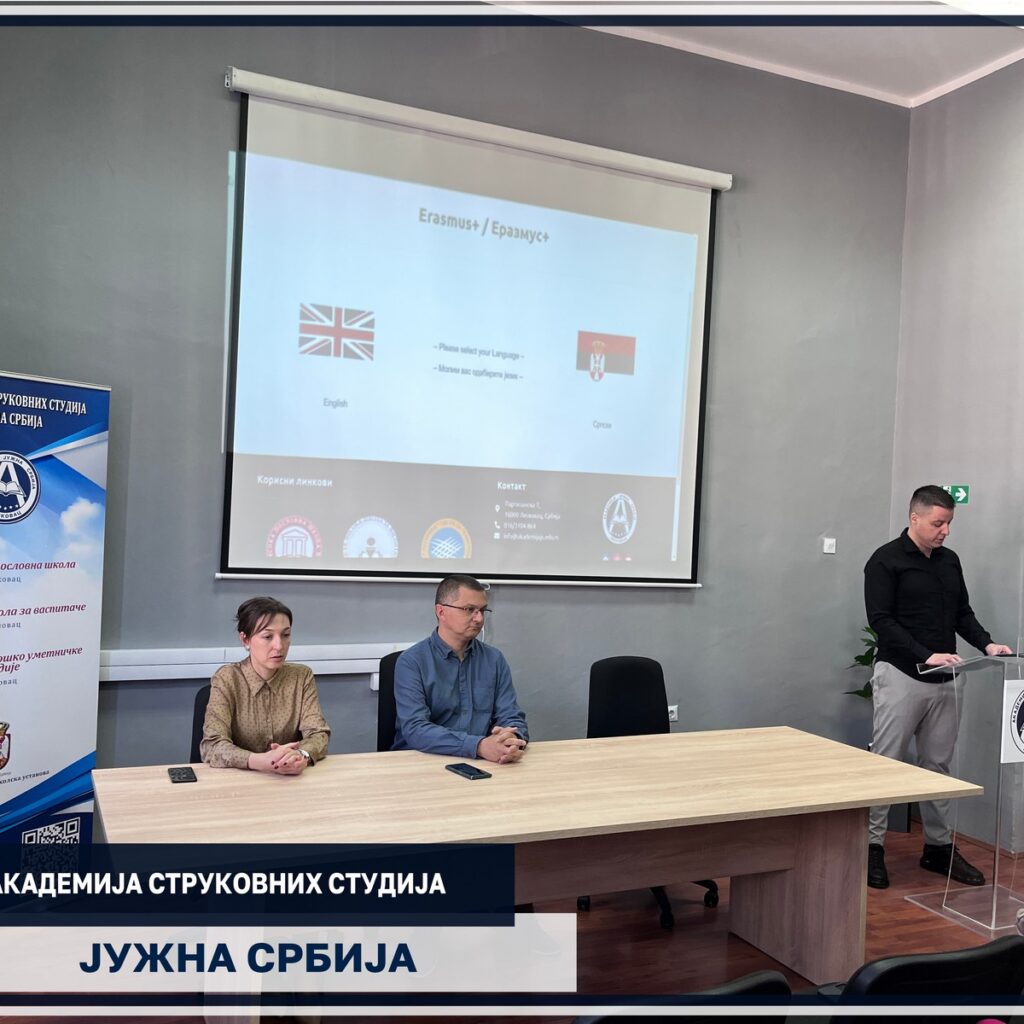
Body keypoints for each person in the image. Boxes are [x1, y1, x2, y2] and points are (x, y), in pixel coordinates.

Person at [864, 485, 1011, 889]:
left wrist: (987, 644)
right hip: (901, 674)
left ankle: (938, 848)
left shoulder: (950, 561)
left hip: (946, 678)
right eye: (938, 523)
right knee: (886, 763)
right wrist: (924, 654)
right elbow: (881, 621)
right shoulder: (885, 561)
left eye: (949, 523)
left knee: (938, 767)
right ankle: (871, 847)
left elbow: (962, 613)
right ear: (915, 518)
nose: (945, 530)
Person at [392, 574, 528, 763]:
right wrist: (478, 746)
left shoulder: (494, 659)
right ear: (441, 612)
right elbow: (416, 729)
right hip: (421, 762)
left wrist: (511, 739)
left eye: (482, 610)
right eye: (469, 609)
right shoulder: (411, 662)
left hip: (482, 761)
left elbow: (511, 715)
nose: (479, 619)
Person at [200, 596, 330, 773]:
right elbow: (212, 744)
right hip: (239, 779)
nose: (279, 646)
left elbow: (318, 733)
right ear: (245, 640)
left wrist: (301, 755)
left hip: (289, 779)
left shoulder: (301, 677)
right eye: (268, 636)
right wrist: (260, 761)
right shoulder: (227, 678)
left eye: (285, 635)